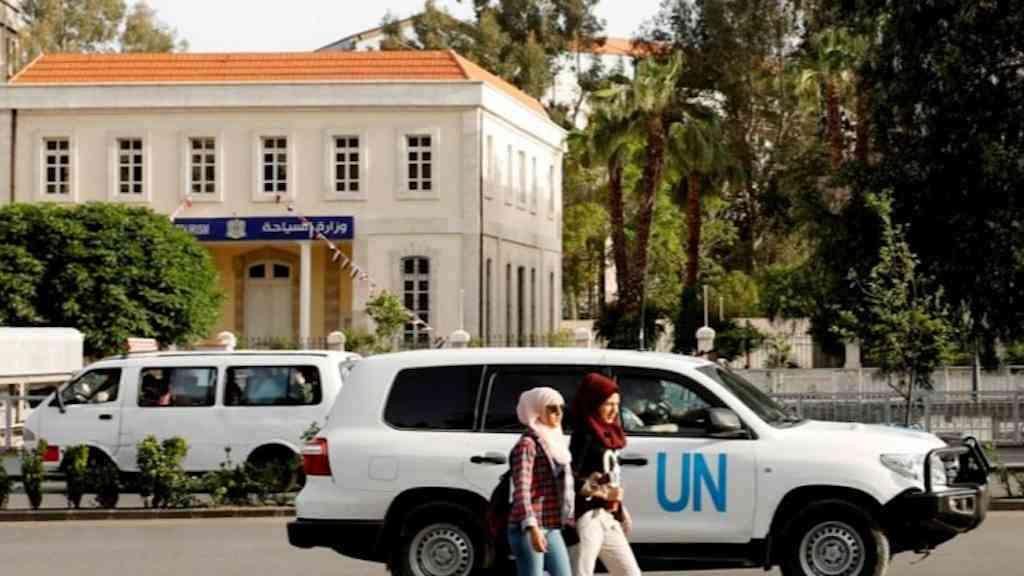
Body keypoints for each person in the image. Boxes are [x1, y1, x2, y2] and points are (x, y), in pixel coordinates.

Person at [570, 373, 642, 576]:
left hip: (607, 516)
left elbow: (610, 476)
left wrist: (620, 508)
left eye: (617, 404)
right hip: (586, 516)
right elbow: (569, 479)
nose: (614, 410)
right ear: (594, 403)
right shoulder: (584, 435)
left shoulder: (608, 433)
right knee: (581, 572)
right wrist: (599, 492)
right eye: (608, 404)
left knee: (630, 572)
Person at [508, 387, 575, 576]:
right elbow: (521, 490)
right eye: (552, 408)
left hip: (551, 525)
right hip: (529, 526)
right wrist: (531, 527)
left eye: (561, 408)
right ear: (537, 410)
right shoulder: (527, 444)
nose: (559, 413)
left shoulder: (555, 440)